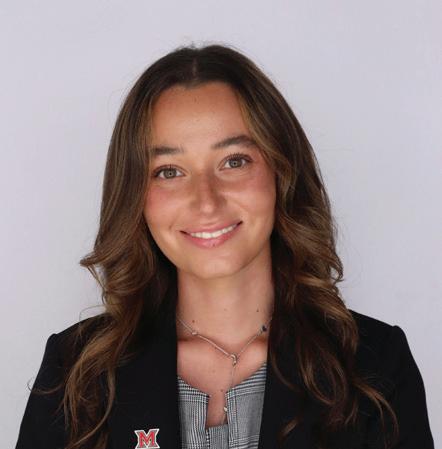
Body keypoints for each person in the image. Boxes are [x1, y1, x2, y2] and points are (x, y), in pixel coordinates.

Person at [15, 43, 434, 449]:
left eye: (234, 161)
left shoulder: (375, 367)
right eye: (169, 171)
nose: (206, 201)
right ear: (134, 195)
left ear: (282, 173)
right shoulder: (76, 375)